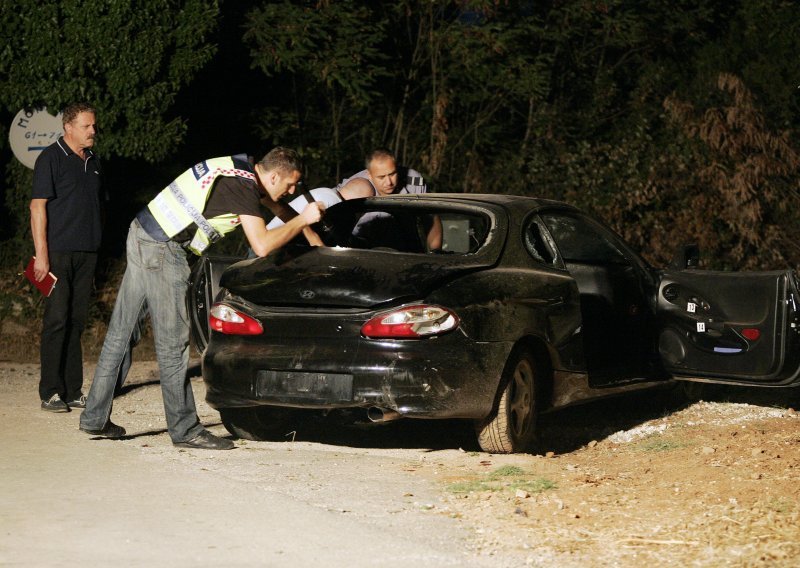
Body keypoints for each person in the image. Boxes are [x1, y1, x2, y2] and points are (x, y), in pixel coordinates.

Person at [80, 147, 324, 450]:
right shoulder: (243, 187)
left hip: (143, 232)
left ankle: (94, 417)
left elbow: (281, 210)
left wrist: (317, 240)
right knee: (173, 345)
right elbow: (262, 245)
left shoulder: (240, 169)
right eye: (290, 185)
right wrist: (302, 222)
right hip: (164, 249)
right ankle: (185, 430)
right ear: (273, 175)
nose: (291, 192)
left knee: (122, 333)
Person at [30, 102, 103, 413]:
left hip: (87, 253)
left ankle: (73, 389)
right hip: (57, 252)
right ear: (68, 127)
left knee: (76, 322)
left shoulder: (94, 161)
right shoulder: (50, 158)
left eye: (93, 125)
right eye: (87, 126)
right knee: (57, 321)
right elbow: (37, 208)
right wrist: (41, 257)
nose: (93, 131)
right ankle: (50, 391)